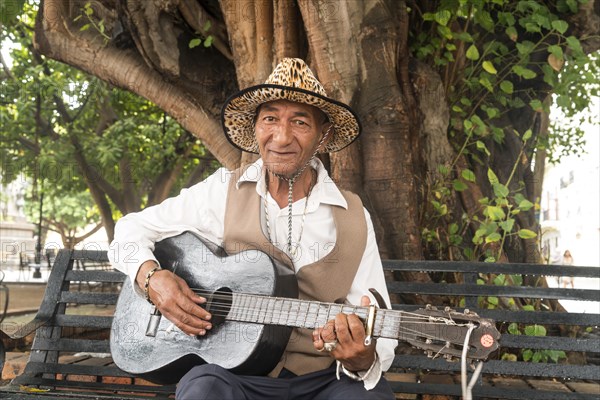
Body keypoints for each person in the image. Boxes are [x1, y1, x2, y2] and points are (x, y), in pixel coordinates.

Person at [109, 58, 397, 399]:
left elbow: (381, 327)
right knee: (203, 388)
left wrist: (362, 357)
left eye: (300, 122)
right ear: (256, 127)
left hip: (324, 380)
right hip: (239, 376)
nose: (282, 136)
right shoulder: (221, 192)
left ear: (325, 134)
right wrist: (151, 278)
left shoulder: (352, 215)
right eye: (270, 118)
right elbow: (128, 231)